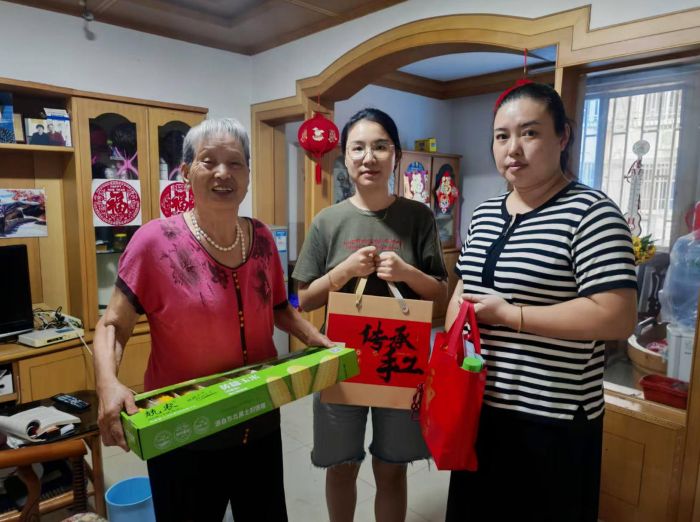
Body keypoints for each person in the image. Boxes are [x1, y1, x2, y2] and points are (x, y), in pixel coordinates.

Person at [94, 117, 332, 522]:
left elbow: (279, 308)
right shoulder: (155, 241)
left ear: (248, 175)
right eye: (209, 161)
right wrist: (108, 384)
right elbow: (113, 324)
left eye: (235, 163)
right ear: (186, 172)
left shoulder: (261, 238)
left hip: (258, 418)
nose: (223, 173)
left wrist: (317, 339)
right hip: (184, 431)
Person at [444, 82, 638, 522]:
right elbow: (462, 287)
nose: (513, 148)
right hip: (478, 404)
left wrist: (511, 316)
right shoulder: (485, 213)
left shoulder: (592, 213)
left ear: (563, 136)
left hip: (552, 416)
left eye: (529, 133)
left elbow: (617, 314)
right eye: (501, 136)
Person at [293, 108, 448, 522]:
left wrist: (408, 272)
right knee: (341, 466)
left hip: (401, 362)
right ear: (345, 157)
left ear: (396, 155)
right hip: (340, 361)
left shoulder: (418, 217)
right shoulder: (327, 221)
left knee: (392, 468)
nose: (369, 157)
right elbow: (304, 299)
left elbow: (440, 294)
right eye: (358, 148)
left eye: (380, 146)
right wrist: (342, 272)